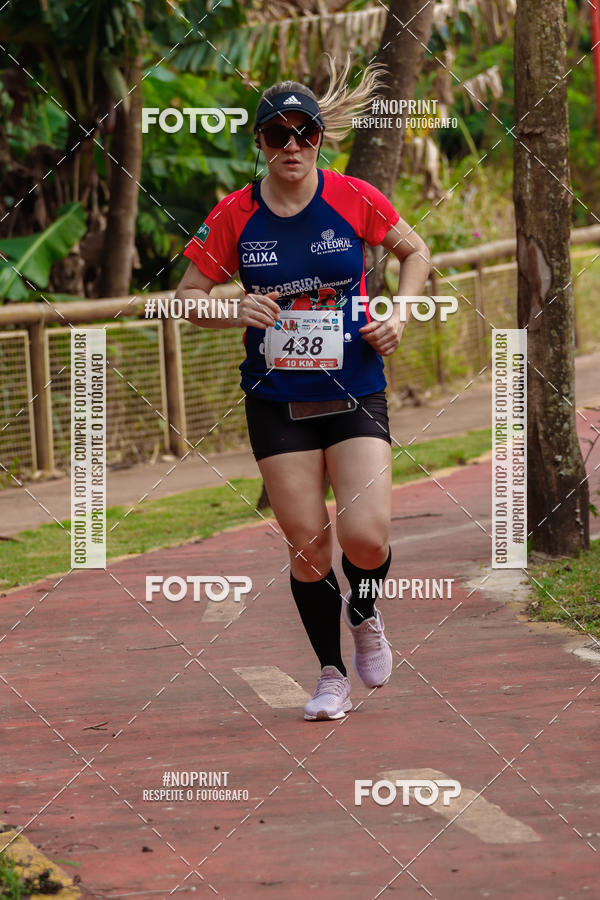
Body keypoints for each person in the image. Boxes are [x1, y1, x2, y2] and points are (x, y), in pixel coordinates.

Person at [175, 57, 431, 721]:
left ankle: (366, 609)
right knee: (309, 543)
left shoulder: (354, 197)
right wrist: (235, 308)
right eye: (276, 136)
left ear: (321, 137)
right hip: (276, 397)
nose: (291, 147)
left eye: (304, 133)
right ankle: (330, 675)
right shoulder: (234, 215)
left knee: (366, 539)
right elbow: (185, 299)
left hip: (354, 384)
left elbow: (417, 252)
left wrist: (398, 311)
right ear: (258, 143)